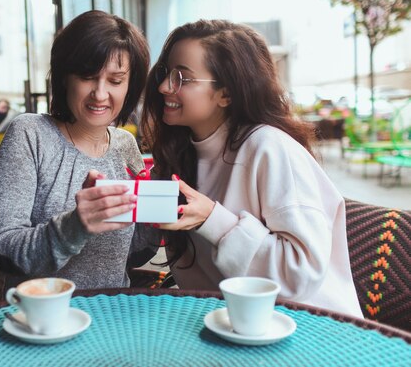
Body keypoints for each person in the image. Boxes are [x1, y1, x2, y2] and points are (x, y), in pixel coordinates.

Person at [140, 19, 362, 318]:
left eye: (182, 77)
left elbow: (300, 276)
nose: (165, 86)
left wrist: (212, 219)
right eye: (166, 73)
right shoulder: (180, 154)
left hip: (311, 331)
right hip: (230, 328)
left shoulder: (270, 148)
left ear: (226, 94)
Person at [0, 10, 156, 289]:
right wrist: (76, 225)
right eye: (88, 76)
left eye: (115, 81)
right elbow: (1, 251)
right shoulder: (30, 134)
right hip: (42, 322)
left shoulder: (125, 146)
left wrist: (159, 218)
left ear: (130, 86)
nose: (100, 94)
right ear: (65, 77)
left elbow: (131, 254)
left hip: (111, 319)